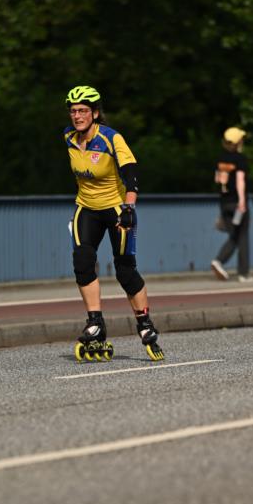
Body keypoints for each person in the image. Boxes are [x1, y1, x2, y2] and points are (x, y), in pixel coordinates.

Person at [63, 85, 164, 361]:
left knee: (125, 272)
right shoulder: (68, 137)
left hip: (116, 209)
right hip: (86, 208)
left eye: (83, 111)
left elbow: (130, 172)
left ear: (95, 113)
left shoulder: (110, 138)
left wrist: (129, 206)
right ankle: (96, 322)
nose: (77, 116)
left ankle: (144, 323)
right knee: (82, 262)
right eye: (73, 111)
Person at [210, 127, 252, 282]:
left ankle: (219, 261)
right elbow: (240, 181)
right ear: (237, 142)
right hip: (236, 203)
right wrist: (242, 201)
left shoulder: (220, 159)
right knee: (242, 235)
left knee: (234, 234)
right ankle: (242, 273)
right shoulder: (240, 159)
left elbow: (217, 180)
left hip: (224, 202)